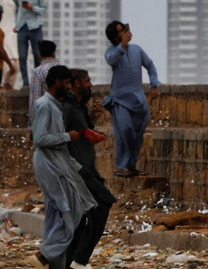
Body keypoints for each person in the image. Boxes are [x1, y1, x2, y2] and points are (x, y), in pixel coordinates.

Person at [30, 65, 96, 269]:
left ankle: (54, 263)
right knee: (70, 211)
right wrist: (68, 136)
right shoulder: (44, 105)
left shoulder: (54, 105)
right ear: (58, 82)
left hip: (59, 161)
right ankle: (45, 255)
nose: (69, 87)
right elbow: (39, 138)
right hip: (49, 163)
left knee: (60, 211)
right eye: (67, 83)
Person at [61, 69, 116, 269]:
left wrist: (92, 119)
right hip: (79, 170)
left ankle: (70, 262)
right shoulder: (69, 108)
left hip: (85, 169)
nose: (90, 84)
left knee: (81, 218)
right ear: (76, 84)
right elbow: (74, 135)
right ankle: (78, 260)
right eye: (87, 81)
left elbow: (84, 131)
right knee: (101, 206)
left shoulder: (77, 107)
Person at [103, 21, 160, 178]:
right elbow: (112, 60)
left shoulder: (137, 50)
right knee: (125, 130)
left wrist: (154, 84)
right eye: (123, 31)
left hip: (138, 99)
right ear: (116, 37)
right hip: (120, 100)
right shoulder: (111, 51)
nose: (127, 32)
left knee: (137, 133)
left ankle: (130, 166)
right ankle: (122, 164)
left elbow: (150, 66)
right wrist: (122, 46)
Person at [14, 0, 48, 89]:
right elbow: (15, 11)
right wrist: (15, 24)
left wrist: (32, 8)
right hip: (22, 27)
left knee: (38, 55)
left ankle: (38, 81)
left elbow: (44, 8)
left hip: (35, 26)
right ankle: (26, 83)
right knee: (22, 56)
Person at [29, 40, 60, 117]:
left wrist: (32, 123)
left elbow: (35, 98)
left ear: (40, 54)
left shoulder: (38, 72)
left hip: (46, 114)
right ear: (54, 53)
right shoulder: (64, 69)